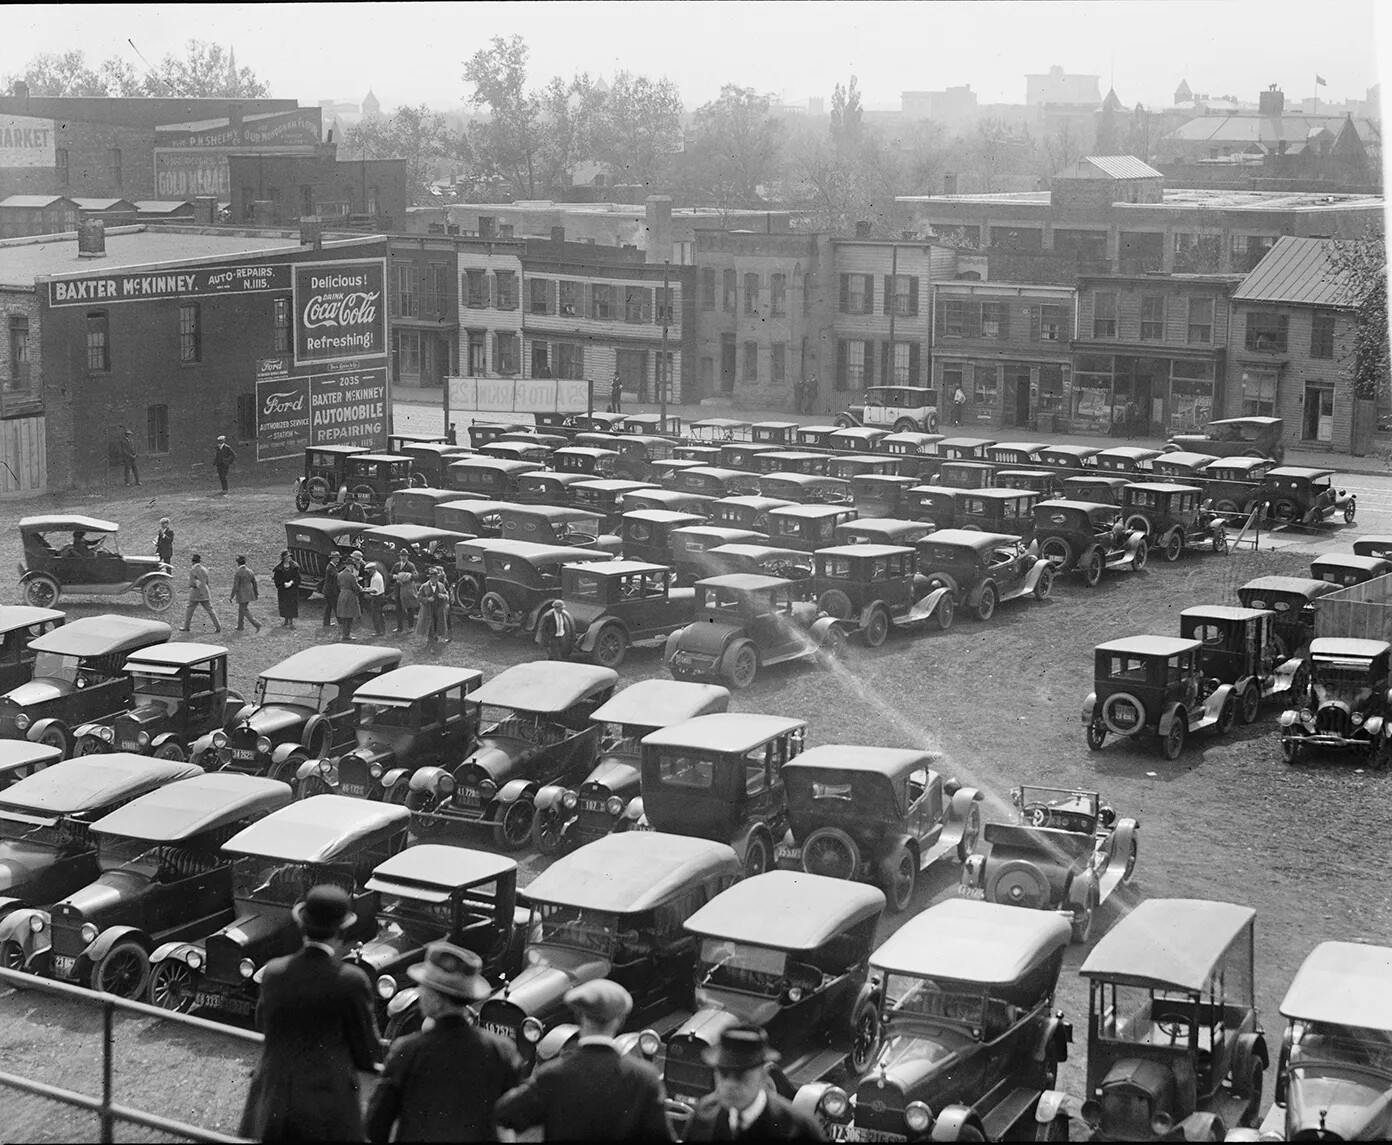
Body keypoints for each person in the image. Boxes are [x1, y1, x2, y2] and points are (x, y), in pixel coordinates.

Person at [239, 885, 381, 1142]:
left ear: (302, 927)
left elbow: (263, 1024)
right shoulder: (351, 980)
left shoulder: (274, 972)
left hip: (274, 1101)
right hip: (326, 1106)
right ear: (341, 931)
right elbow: (367, 1052)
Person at [365, 942, 521, 1143]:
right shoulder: (502, 1051)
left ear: (436, 999)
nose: (420, 992)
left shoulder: (408, 1050)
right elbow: (511, 1119)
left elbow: (376, 1124)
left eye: (424, 987)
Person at [495, 979, 671, 1142]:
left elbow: (505, 1114)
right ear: (619, 1021)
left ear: (579, 1017)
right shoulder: (645, 1078)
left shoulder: (552, 1074)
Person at [683, 1026, 826, 1141]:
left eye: (741, 1075)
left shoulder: (797, 1127)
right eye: (723, 1073)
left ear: (763, 1076)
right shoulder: (704, 1116)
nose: (730, 1084)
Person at [181, 553, 221, 633]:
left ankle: (186, 627)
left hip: (195, 593)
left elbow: (192, 583)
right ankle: (218, 626)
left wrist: (191, 586)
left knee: (189, 610)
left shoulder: (193, 570)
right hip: (205, 592)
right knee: (210, 610)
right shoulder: (205, 569)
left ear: (193, 562)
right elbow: (207, 581)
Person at [415, 566, 450, 644]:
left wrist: (443, 596)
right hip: (428, 609)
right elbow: (419, 597)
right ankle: (431, 639)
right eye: (434, 578)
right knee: (429, 623)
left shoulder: (441, 586)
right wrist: (427, 599)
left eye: (437, 578)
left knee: (438, 623)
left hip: (439, 609)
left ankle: (435, 636)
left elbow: (447, 596)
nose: (436, 580)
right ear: (430, 578)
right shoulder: (424, 586)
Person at [230, 555, 263, 633]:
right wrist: (256, 592)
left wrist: (232, 596)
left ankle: (256, 623)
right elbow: (254, 583)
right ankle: (240, 626)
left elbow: (236, 586)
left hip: (242, 594)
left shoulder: (238, 572)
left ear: (238, 563)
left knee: (244, 610)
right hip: (250, 593)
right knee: (241, 609)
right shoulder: (250, 571)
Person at [272, 551, 301, 629]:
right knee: (284, 604)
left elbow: (297, 577)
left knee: (292, 604)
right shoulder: (279, 568)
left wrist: (292, 582)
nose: (289, 558)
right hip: (283, 590)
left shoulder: (295, 566)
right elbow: (277, 579)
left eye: (289, 557)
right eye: (287, 557)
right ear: (283, 558)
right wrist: (283, 584)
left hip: (292, 589)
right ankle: (285, 620)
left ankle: (291, 621)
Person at [336, 556, 362, 641]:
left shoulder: (340, 574)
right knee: (349, 616)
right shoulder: (351, 575)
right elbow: (355, 587)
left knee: (344, 616)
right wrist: (360, 589)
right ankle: (347, 635)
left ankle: (345, 634)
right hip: (350, 595)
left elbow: (338, 585)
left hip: (342, 594)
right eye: (352, 565)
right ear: (350, 565)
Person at [392, 554, 419, 633]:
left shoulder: (411, 565)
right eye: (402, 556)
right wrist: (395, 577)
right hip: (398, 588)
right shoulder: (396, 565)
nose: (403, 558)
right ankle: (399, 627)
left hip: (407, 589)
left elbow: (416, 575)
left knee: (409, 607)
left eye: (405, 556)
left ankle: (410, 627)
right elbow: (390, 574)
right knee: (398, 608)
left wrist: (408, 576)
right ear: (399, 557)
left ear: (407, 557)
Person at [362, 560, 387, 637]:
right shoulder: (377, 575)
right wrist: (367, 588)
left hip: (377, 598)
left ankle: (379, 631)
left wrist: (364, 590)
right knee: (380, 614)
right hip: (381, 596)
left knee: (375, 615)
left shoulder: (376, 578)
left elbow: (375, 590)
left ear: (372, 569)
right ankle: (382, 630)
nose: (368, 572)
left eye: (369, 570)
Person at [321, 552, 342, 629]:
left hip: (328, 591)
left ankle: (326, 623)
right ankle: (341, 623)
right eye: (337, 558)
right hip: (331, 592)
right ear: (333, 558)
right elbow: (337, 576)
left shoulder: (332, 566)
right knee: (335, 606)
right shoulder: (331, 567)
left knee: (329, 607)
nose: (339, 559)